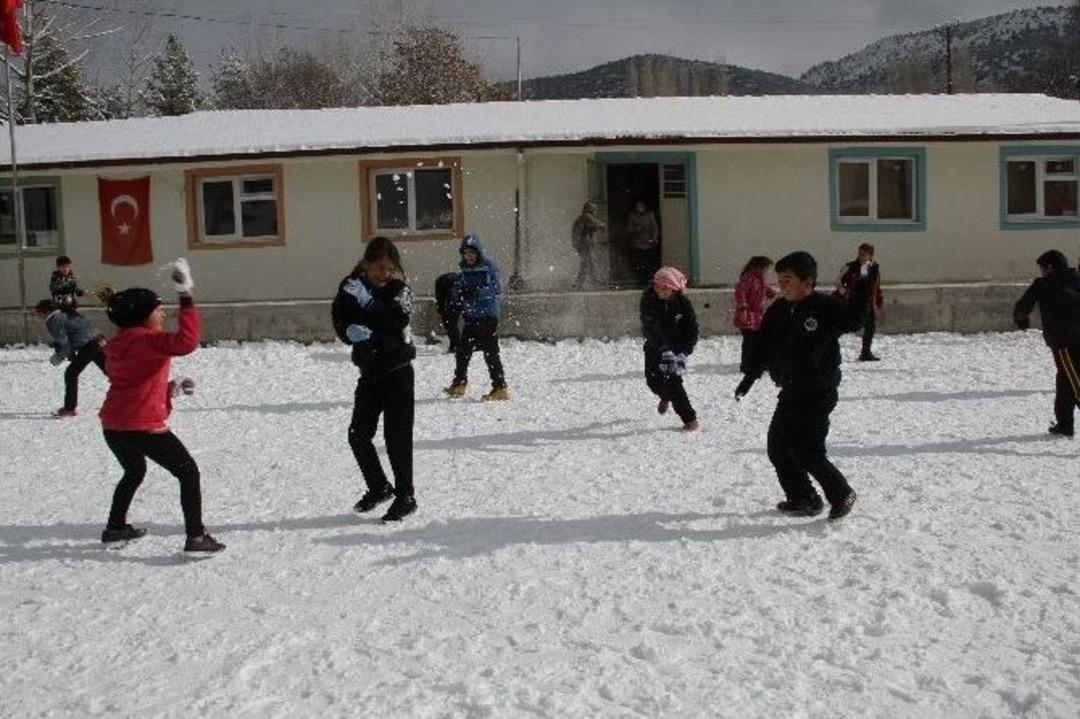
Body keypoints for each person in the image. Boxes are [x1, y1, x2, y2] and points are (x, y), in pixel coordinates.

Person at [98, 259, 225, 554]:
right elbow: (187, 341)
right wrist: (185, 294)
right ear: (144, 317)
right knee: (188, 473)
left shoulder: (117, 346)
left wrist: (170, 389)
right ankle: (196, 537)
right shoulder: (149, 340)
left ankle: (115, 527)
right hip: (142, 426)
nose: (162, 312)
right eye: (157, 309)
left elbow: (134, 382)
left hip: (113, 425)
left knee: (133, 472)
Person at [735, 251, 860, 520]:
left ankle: (841, 493)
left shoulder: (825, 307)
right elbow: (762, 346)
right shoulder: (778, 310)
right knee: (778, 446)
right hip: (791, 390)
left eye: (788, 280)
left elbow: (854, 320)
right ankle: (803, 497)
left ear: (808, 281)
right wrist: (750, 376)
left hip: (818, 391)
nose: (782, 286)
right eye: (779, 280)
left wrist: (858, 289)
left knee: (806, 448)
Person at [332, 236, 418, 521]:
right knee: (358, 435)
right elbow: (340, 319)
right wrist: (348, 332)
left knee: (397, 438)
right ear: (366, 265)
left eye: (389, 268)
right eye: (377, 268)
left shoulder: (400, 290)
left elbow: (396, 321)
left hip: (398, 373)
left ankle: (406, 496)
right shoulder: (351, 287)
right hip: (370, 373)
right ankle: (379, 486)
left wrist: (369, 305)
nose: (383, 274)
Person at [1013, 249, 1080, 438]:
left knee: (1074, 381)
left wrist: (1021, 320)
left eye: (1042, 268)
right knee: (1065, 380)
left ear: (1050, 267)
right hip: (1072, 338)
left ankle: (1065, 424)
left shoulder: (1043, 284)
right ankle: (1064, 424)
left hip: (1064, 341)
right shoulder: (1077, 279)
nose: (1041, 272)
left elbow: (1023, 305)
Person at [443, 233, 510, 401]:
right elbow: (459, 286)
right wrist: (457, 293)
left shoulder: (489, 266)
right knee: (463, 351)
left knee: (490, 352)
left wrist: (477, 293)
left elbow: (495, 288)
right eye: (465, 253)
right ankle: (459, 383)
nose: (468, 257)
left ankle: (500, 387)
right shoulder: (464, 268)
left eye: (471, 253)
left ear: (478, 252)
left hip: (487, 316)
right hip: (471, 315)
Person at [641, 267, 699, 431]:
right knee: (653, 381)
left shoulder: (683, 303)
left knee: (674, 382)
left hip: (676, 348)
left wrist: (686, 349)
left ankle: (690, 420)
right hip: (654, 346)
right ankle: (665, 396)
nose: (662, 291)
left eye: (666, 288)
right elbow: (650, 325)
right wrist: (661, 346)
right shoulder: (648, 299)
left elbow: (692, 327)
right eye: (659, 287)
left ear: (674, 288)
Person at [35, 298, 107, 417]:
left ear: (46, 311)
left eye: (39, 313)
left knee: (71, 374)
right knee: (112, 372)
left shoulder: (54, 320)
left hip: (88, 346)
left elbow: (64, 342)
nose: (38, 317)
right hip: (98, 341)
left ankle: (69, 408)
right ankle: (134, 394)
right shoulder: (67, 313)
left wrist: (59, 356)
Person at [835, 243, 884, 361]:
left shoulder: (874, 269)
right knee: (850, 325)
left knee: (870, 326)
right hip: (854, 303)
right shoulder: (850, 267)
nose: (861, 257)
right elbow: (838, 282)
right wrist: (845, 293)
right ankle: (827, 342)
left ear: (870, 256)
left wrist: (877, 301)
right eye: (860, 254)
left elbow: (876, 287)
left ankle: (865, 352)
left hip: (868, 303)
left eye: (864, 255)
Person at [733, 256, 776, 374]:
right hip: (747, 316)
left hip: (757, 316)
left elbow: (765, 289)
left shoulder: (760, 279)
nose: (768, 272)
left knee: (760, 339)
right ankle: (746, 365)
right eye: (767, 269)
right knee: (750, 341)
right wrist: (743, 309)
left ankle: (761, 362)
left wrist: (771, 293)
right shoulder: (748, 278)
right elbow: (740, 293)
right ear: (759, 268)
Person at [571, 200, 606, 289]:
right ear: (591, 209)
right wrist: (602, 226)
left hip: (582, 244)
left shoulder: (582, 217)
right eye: (594, 209)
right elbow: (598, 224)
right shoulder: (586, 216)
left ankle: (584, 284)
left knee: (588, 264)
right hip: (584, 244)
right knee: (587, 264)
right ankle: (580, 284)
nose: (596, 211)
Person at [626, 200, 660, 286]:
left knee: (648, 262)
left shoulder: (650, 215)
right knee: (639, 263)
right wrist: (636, 230)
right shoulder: (633, 216)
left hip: (648, 243)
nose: (639, 209)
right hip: (637, 243)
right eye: (638, 207)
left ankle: (648, 279)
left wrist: (654, 239)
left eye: (641, 207)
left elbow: (655, 228)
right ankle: (641, 280)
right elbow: (629, 229)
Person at [434, 271, 462, 353]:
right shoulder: (455, 281)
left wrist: (440, 307)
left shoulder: (442, 281)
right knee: (453, 325)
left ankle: (455, 345)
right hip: (455, 305)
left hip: (450, 306)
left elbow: (440, 297)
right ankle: (455, 345)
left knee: (451, 326)